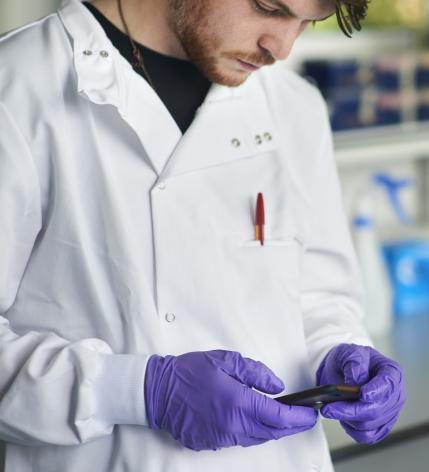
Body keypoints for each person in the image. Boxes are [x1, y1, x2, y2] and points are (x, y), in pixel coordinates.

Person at [0, 0, 406, 470]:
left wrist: (340, 351)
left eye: (307, 24)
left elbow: (319, 295)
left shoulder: (294, 106)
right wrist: (140, 393)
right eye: (269, 8)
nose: (282, 47)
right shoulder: (17, 91)